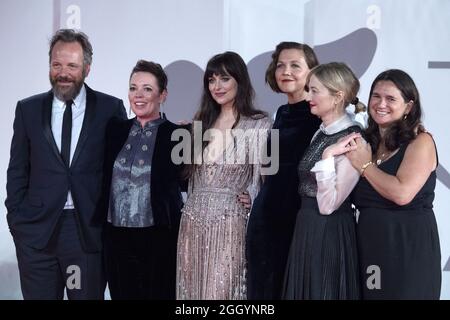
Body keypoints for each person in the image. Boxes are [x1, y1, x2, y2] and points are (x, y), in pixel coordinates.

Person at [5, 29, 127, 299]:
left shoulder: (110, 109)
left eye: (72, 65)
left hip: (86, 234)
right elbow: (17, 171)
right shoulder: (28, 109)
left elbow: (119, 174)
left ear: (87, 69)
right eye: (56, 64)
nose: (63, 72)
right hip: (36, 234)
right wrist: (18, 223)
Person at [176, 51, 272, 300]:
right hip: (192, 223)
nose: (216, 86)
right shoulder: (200, 123)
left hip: (230, 224)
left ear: (239, 80)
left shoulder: (259, 124)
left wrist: (253, 196)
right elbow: (188, 178)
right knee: (192, 292)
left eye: (224, 78)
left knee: (223, 292)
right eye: (211, 80)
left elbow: (265, 179)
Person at [343, 69, 441, 299]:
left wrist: (366, 167)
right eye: (376, 96)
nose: (381, 104)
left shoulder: (421, 141)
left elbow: (402, 193)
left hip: (408, 250)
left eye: (391, 98)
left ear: (408, 106)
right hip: (370, 250)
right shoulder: (367, 143)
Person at [96, 60, 187, 299]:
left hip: (158, 237)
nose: (138, 95)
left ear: (162, 95)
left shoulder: (180, 134)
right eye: (133, 87)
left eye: (147, 88)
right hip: (115, 236)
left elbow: (190, 183)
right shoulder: (115, 129)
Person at [246, 42, 321, 299]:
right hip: (265, 218)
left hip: (299, 218)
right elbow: (269, 168)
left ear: (312, 72)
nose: (286, 71)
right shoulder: (280, 113)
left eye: (295, 65)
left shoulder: (321, 116)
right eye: (280, 65)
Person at [282, 62, 363, 300]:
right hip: (306, 225)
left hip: (329, 230)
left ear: (337, 97)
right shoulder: (321, 130)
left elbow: (329, 204)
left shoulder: (354, 139)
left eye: (315, 90)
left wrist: (328, 156)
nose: (308, 96)